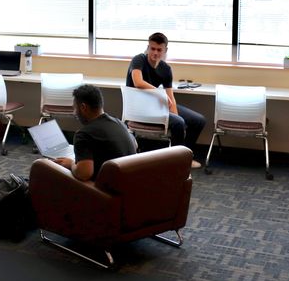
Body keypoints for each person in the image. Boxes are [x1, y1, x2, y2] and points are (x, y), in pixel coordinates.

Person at [125, 32, 205, 168]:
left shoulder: (166, 69)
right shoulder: (139, 59)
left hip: (156, 106)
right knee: (179, 123)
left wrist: (175, 115)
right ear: (148, 48)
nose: (155, 53)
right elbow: (138, 82)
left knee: (198, 120)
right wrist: (158, 93)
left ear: (165, 51)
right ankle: (176, 163)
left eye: (159, 49)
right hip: (138, 108)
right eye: (152, 48)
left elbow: (170, 96)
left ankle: (185, 157)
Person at [53, 84, 137, 181]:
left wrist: (71, 163)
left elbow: (84, 174)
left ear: (83, 107)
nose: (74, 113)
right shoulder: (119, 123)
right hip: (129, 184)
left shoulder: (84, 134)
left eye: (75, 108)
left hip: (104, 191)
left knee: (48, 168)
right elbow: (135, 144)